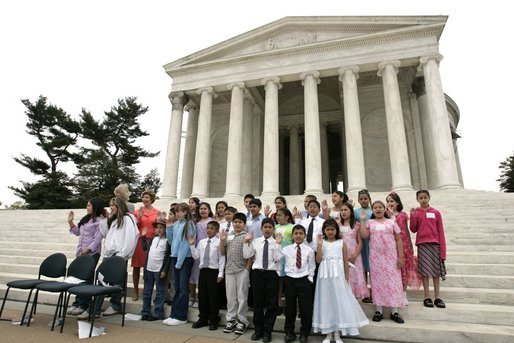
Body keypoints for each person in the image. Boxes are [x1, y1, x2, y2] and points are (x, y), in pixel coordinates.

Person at [78, 197, 139, 319]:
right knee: (101, 281)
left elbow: (131, 238)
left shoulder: (127, 219)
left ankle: (114, 305)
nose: (111, 207)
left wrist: (122, 255)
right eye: (110, 205)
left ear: (119, 206)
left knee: (117, 282)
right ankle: (94, 309)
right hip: (109, 254)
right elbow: (106, 234)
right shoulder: (114, 220)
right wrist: (105, 219)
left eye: (113, 205)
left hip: (119, 255)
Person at [313, 219, 369, 343]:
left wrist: (346, 278)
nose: (330, 232)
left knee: (338, 301)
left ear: (336, 230)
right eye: (327, 229)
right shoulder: (321, 243)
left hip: (338, 276)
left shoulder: (341, 242)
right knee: (326, 302)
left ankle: (337, 333)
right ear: (324, 231)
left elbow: (345, 260)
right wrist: (319, 245)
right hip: (325, 277)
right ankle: (328, 333)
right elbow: (318, 260)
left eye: (332, 229)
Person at [360, 201, 406, 324]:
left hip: (391, 257)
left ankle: (394, 311)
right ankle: (378, 310)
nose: (378, 209)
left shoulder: (392, 222)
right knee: (377, 283)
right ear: (373, 210)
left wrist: (400, 257)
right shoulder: (370, 223)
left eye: (380, 207)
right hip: (376, 258)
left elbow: (398, 240)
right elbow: (364, 235)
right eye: (375, 208)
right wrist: (363, 220)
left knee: (393, 282)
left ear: (384, 209)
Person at [243, 218, 283, 343]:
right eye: (265, 227)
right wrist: (246, 242)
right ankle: (258, 330)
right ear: (261, 229)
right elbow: (247, 255)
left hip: (271, 274)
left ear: (273, 229)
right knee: (258, 303)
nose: (267, 229)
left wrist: (277, 244)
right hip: (257, 274)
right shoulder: (256, 241)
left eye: (270, 227)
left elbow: (278, 258)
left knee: (272, 305)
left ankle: (267, 331)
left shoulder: (276, 242)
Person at [66, 198, 105, 315]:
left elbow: (98, 239)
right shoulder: (86, 219)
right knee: (79, 278)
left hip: (91, 253)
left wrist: (88, 250)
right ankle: (77, 302)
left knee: (86, 279)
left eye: (89, 205)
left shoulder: (99, 221)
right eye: (87, 205)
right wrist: (70, 222)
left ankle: (84, 304)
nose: (87, 207)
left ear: (95, 207)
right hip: (81, 252)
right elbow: (78, 232)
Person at [409, 190, 447, 309]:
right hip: (422, 244)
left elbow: (441, 231)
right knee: (425, 272)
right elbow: (413, 229)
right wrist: (413, 216)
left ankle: (437, 297)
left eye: (425, 197)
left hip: (435, 244)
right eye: (421, 198)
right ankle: (427, 296)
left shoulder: (435, 212)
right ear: (417, 200)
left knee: (436, 272)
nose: (423, 200)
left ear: (429, 198)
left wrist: (443, 251)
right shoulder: (417, 212)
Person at [279, 224, 315, 343]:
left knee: (305, 308)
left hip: (304, 280)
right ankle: (289, 332)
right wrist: (278, 244)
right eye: (296, 233)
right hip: (290, 280)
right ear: (292, 236)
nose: (298, 236)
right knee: (290, 308)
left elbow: (311, 266)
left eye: (301, 233)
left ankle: (304, 333)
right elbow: (276, 258)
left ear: (305, 236)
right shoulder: (286, 249)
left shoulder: (309, 250)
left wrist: (310, 279)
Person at [163, 203, 197, 326]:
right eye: (176, 211)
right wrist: (168, 228)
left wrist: (179, 262)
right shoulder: (177, 224)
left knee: (183, 288)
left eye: (180, 211)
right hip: (175, 258)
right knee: (177, 287)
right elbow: (172, 242)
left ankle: (181, 316)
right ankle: (174, 314)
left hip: (184, 259)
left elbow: (185, 245)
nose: (177, 214)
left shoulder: (189, 224)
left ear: (186, 212)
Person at [189, 220, 225, 330]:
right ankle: (203, 318)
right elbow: (195, 256)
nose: (209, 230)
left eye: (212, 228)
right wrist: (191, 245)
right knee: (203, 296)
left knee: (213, 297)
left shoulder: (219, 242)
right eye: (208, 228)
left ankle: (213, 319)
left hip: (214, 272)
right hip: (203, 271)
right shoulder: (202, 242)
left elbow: (222, 258)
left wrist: (220, 273)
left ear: (217, 231)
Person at [386, 192, 421, 304]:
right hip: (391, 245)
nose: (390, 203)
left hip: (404, 244)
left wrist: (410, 245)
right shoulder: (386, 215)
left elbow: (406, 230)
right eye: (388, 201)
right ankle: (394, 292)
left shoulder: (403, 215)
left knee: (404, 269)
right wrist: (391, 215)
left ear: (397, 202)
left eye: (392, 201)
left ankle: (403, 294)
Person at [220, 212, 250, 335]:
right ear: (232, 223)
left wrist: (247, 269)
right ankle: (231, 319)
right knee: (231, 297)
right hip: (229, 270)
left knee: (242, 296)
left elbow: (250, 255)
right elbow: (222, 252)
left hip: (242, 269)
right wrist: (222, 241)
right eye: (235, 222)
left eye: (240, 222)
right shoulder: (229, 235)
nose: (237, 224)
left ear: (244, 224)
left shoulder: (247, 236)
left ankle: (242, 320)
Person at [132, 189, 160, 301]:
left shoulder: (157, 212)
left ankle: (146, 290)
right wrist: (139, 217)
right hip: (139, 240)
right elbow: (134, 226)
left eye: (147, 197)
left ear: (152, 199)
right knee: (136, 266)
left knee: (148, 267)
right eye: (143, 197)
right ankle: (135, 290)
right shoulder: (137, 211)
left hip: (151, 241)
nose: (144, 199)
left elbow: (158, 226)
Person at [140, 218, 170, 321]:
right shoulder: (154, 239)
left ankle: (158, 313)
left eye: (161, 227)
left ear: (166, 229)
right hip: (149, 269)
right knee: (147, 292)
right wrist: (143, 237)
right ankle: (145, 311)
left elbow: (168, 258)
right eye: (157, 227)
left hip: (159, 270)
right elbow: (145, 248)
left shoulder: (167, 241)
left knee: (160, 292)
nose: (159, 229)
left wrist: (164, 270)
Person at [339, 203, 369, 300]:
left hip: (354, 256)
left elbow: (360, 242)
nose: (343, 212)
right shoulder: (338, 225)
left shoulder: (356, 225)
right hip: (341, 256)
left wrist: (354, 256)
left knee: (353, 277)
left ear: (351, 211)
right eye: (342, 210)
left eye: (346, 210)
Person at [190, 202, 214, 308]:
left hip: (208, 251)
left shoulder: (212, 221)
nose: (203, 210)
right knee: (193, 276)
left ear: (209, 210)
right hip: (196, 250)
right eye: (201, 209)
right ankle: (192, 298)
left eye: (205, 208)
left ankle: (201, 298)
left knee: (201, 277)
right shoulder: (196, 222)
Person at [274, 207, 294, 313]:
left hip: (288, 258)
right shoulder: (275, 227)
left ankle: (288, 306)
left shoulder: (292, 227)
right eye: (277, 215)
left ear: (287, 217)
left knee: (288, 284)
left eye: (280, 215)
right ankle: (277, 305)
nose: (278, 217)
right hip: (277, 257)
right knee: (278, 283)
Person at [354, 189, 372, 303]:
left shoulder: (374, 210)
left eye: (365, 198)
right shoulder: (356, 212)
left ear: (369, 199)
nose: (363, 200)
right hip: (361, 242)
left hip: (373, 242)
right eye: (361, 199)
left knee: (373, 268)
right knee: (363, 268)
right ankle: (365, 293)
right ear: (358, 200)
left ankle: (375, 292)